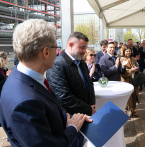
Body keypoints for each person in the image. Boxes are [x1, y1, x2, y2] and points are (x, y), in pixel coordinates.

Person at [0, 19, 92, 147]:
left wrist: (71, 119)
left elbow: (46, 114)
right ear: (46, 52)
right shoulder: (25, 102)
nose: (58, 52)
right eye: (56, 48)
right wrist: (72, 128)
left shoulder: (20, 78)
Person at [46, 32, 96, 147]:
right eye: (82, 47)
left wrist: (92, 105)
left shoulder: (81, 62)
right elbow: (64, 97)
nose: (85, 51)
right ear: (71, 45)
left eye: (85, 48)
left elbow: (89, 85)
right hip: (68, 121)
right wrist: (88, 109)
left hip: (83, 117)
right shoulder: (57, 65)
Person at [120, 45, 140, 117]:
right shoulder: (122, 59)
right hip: (125, 80)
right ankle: (125, 112)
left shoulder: (133, 59)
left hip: (133, 79)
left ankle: (133, 110)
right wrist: (132, 70)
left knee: (134, 95)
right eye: (127, 51)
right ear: (124, 52)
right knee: (127, 96)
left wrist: (136, 68)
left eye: (129, 51)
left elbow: (136, 68)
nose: (128, 52)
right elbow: (122, 72)